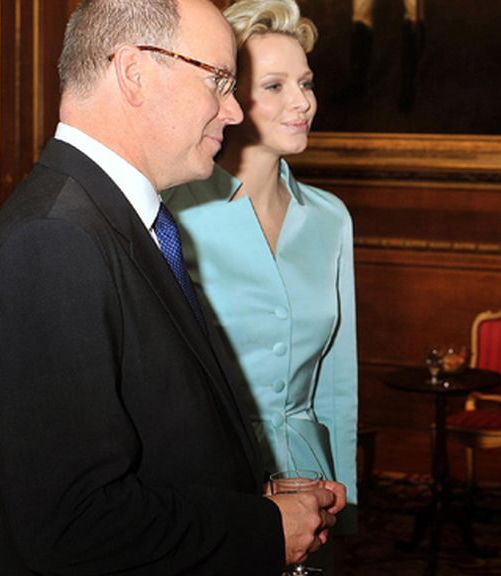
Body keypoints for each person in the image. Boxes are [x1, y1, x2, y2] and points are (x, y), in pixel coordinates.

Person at [0, 0, 345, 573]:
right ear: (135, 72)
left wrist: (248, 500)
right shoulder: (52, 242)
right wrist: (260, 529)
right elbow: (71, 523)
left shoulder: (115, 220)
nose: (234, 112)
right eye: (219, 81)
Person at [162, 0, 358, 532]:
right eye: (275, 86)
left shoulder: (330, 218)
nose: (303, 102)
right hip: (209, 483)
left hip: (312, 483)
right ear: (227, 95)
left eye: (307, 83)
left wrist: (347, 494)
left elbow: (336, 383)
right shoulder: (172, 215)